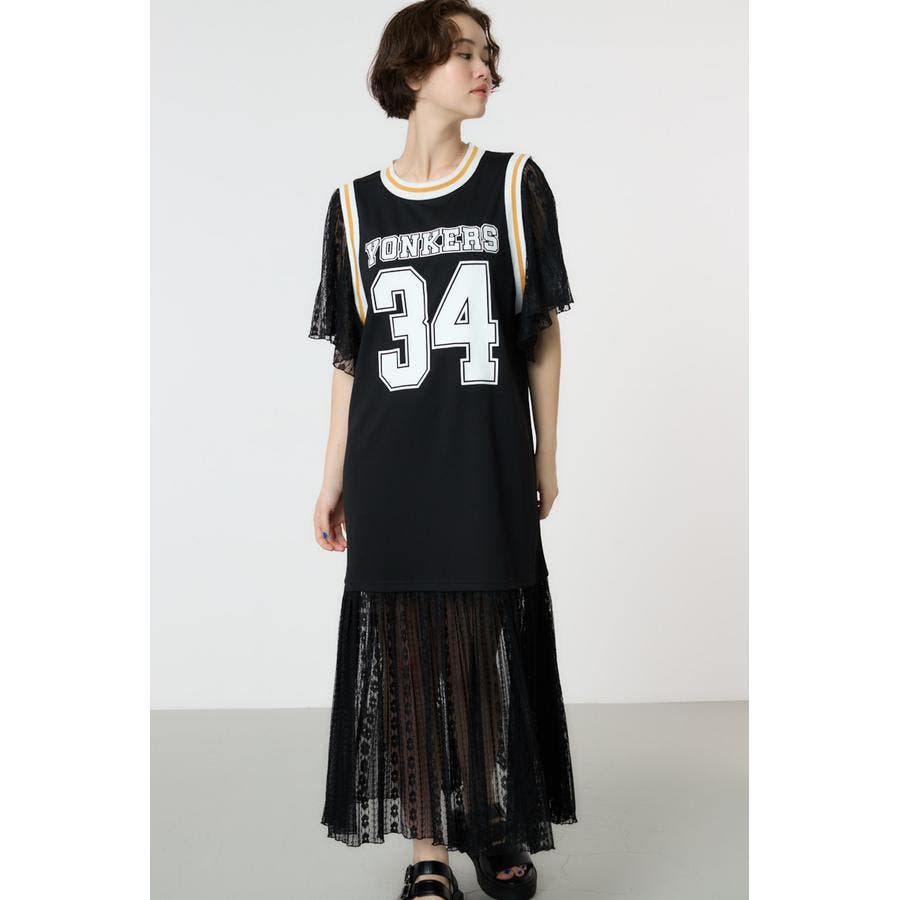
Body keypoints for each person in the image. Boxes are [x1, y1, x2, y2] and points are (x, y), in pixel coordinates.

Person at [308, 2, 577, 897]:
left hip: (482, 455)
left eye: (487, 53)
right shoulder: (353, 207)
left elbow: (541, 332)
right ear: (412, 70)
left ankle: (486, 815)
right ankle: (427, 850)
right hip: (390, 465)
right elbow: (352, 356)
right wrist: (332, 475)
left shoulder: (513, 181)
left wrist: (544, 454)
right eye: (463, 53)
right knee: (408, 659)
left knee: (483, 649)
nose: (484, 67)